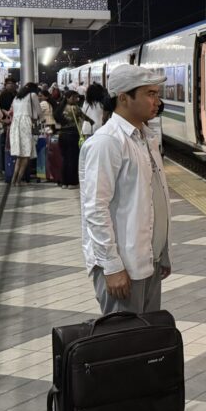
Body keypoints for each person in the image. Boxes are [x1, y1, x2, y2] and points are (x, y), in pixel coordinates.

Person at [80, 64, 172, 315]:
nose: (157, 101)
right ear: (123, 98)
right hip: (123, 267)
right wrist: (111, 266)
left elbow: (152, 198)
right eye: (150, 94)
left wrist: (162, 252)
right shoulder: (107, 142)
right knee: (124, 346)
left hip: (146, 261)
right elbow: (95, 208)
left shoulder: (145, 137)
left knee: (146, 344)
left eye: (157, 93)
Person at [9, 83, 40, 186]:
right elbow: (39, 111)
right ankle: (18, 181)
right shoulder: (33, 95)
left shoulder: (16, 98)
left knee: (20, 155)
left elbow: (12, 111)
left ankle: (14, 180)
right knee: (26, 154)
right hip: (25, 123)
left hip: (15, 124)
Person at [57, 91, 90, 189]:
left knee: (65, 159)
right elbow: (85, 117)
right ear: (68, 98)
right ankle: (72, 182)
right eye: (74, 98)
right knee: (73, 159)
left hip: (62, 135)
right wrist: (93, 122)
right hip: (72, 135)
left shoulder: (60, 108)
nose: (76, 100)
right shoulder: (74, 108)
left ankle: (64, 182)